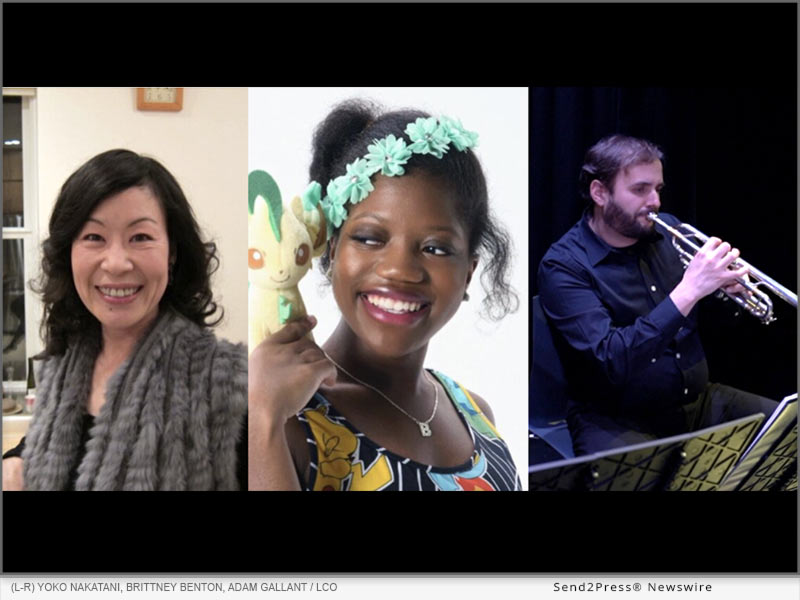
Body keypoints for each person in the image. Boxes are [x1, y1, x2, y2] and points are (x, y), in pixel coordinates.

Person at [248, 100, 521, 491]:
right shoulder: (287, 419)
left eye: (436, 248)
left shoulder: (477, 413)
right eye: (369, 238)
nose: (399, 270)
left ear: (468, 274)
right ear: (331, 250)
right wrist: (261, 418)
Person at [2, 149, 247, 490]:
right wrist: (14, 460)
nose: (116, 263)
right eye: (93, 237)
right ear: (68, 251)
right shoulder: (63, 366)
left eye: (141, 237)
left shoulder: (227, 384)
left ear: (172, 252)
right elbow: (44, 447)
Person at [538, 134, 778, 456]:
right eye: (640, 189)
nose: (655, 202)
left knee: (789, 435)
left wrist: (727, 292)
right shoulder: (563, 266)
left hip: (698, 402)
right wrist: (689, 289)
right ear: (599, 192)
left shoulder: (668, 230)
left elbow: (707, 325)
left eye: (658, 189)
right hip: (617, 419)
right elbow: (610, 360)